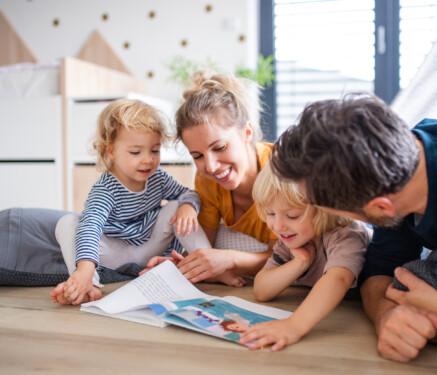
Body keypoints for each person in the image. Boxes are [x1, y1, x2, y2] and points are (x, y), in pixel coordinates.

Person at [270, 93, 437, 361]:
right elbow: (380, 267)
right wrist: (386, 315)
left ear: (381, 208)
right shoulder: (396, 168)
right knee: (407, 279)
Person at [50, 98, 212, 305]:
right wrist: (85, 268)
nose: (148, 160)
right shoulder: (106, 189)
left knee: (177, 207)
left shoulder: (158, 177)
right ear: (111, 151)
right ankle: (86, 281)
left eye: (155, 150)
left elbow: (187, 193)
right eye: (136, 152)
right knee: (68, 222)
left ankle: (206, 261)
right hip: (113, 253)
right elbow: (90, 227)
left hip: (148, 249)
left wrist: (188, 205)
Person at [142, 70, 277, 284]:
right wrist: (182, 267)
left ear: (247, 133)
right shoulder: (207, 181)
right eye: (197, 156)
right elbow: (204, 247)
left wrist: (229, 258)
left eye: (220, 147)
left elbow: (282, 256)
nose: (211, 166)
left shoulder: (279, 170)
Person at [238, 163, 372, 350]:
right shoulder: (291, 239)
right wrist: (300, 262)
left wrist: (294, 325)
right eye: (271, 213)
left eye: (292, 216)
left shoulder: (345, 234)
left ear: (324, 209)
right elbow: (261, 290)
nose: (278, 226)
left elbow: (339, 278)